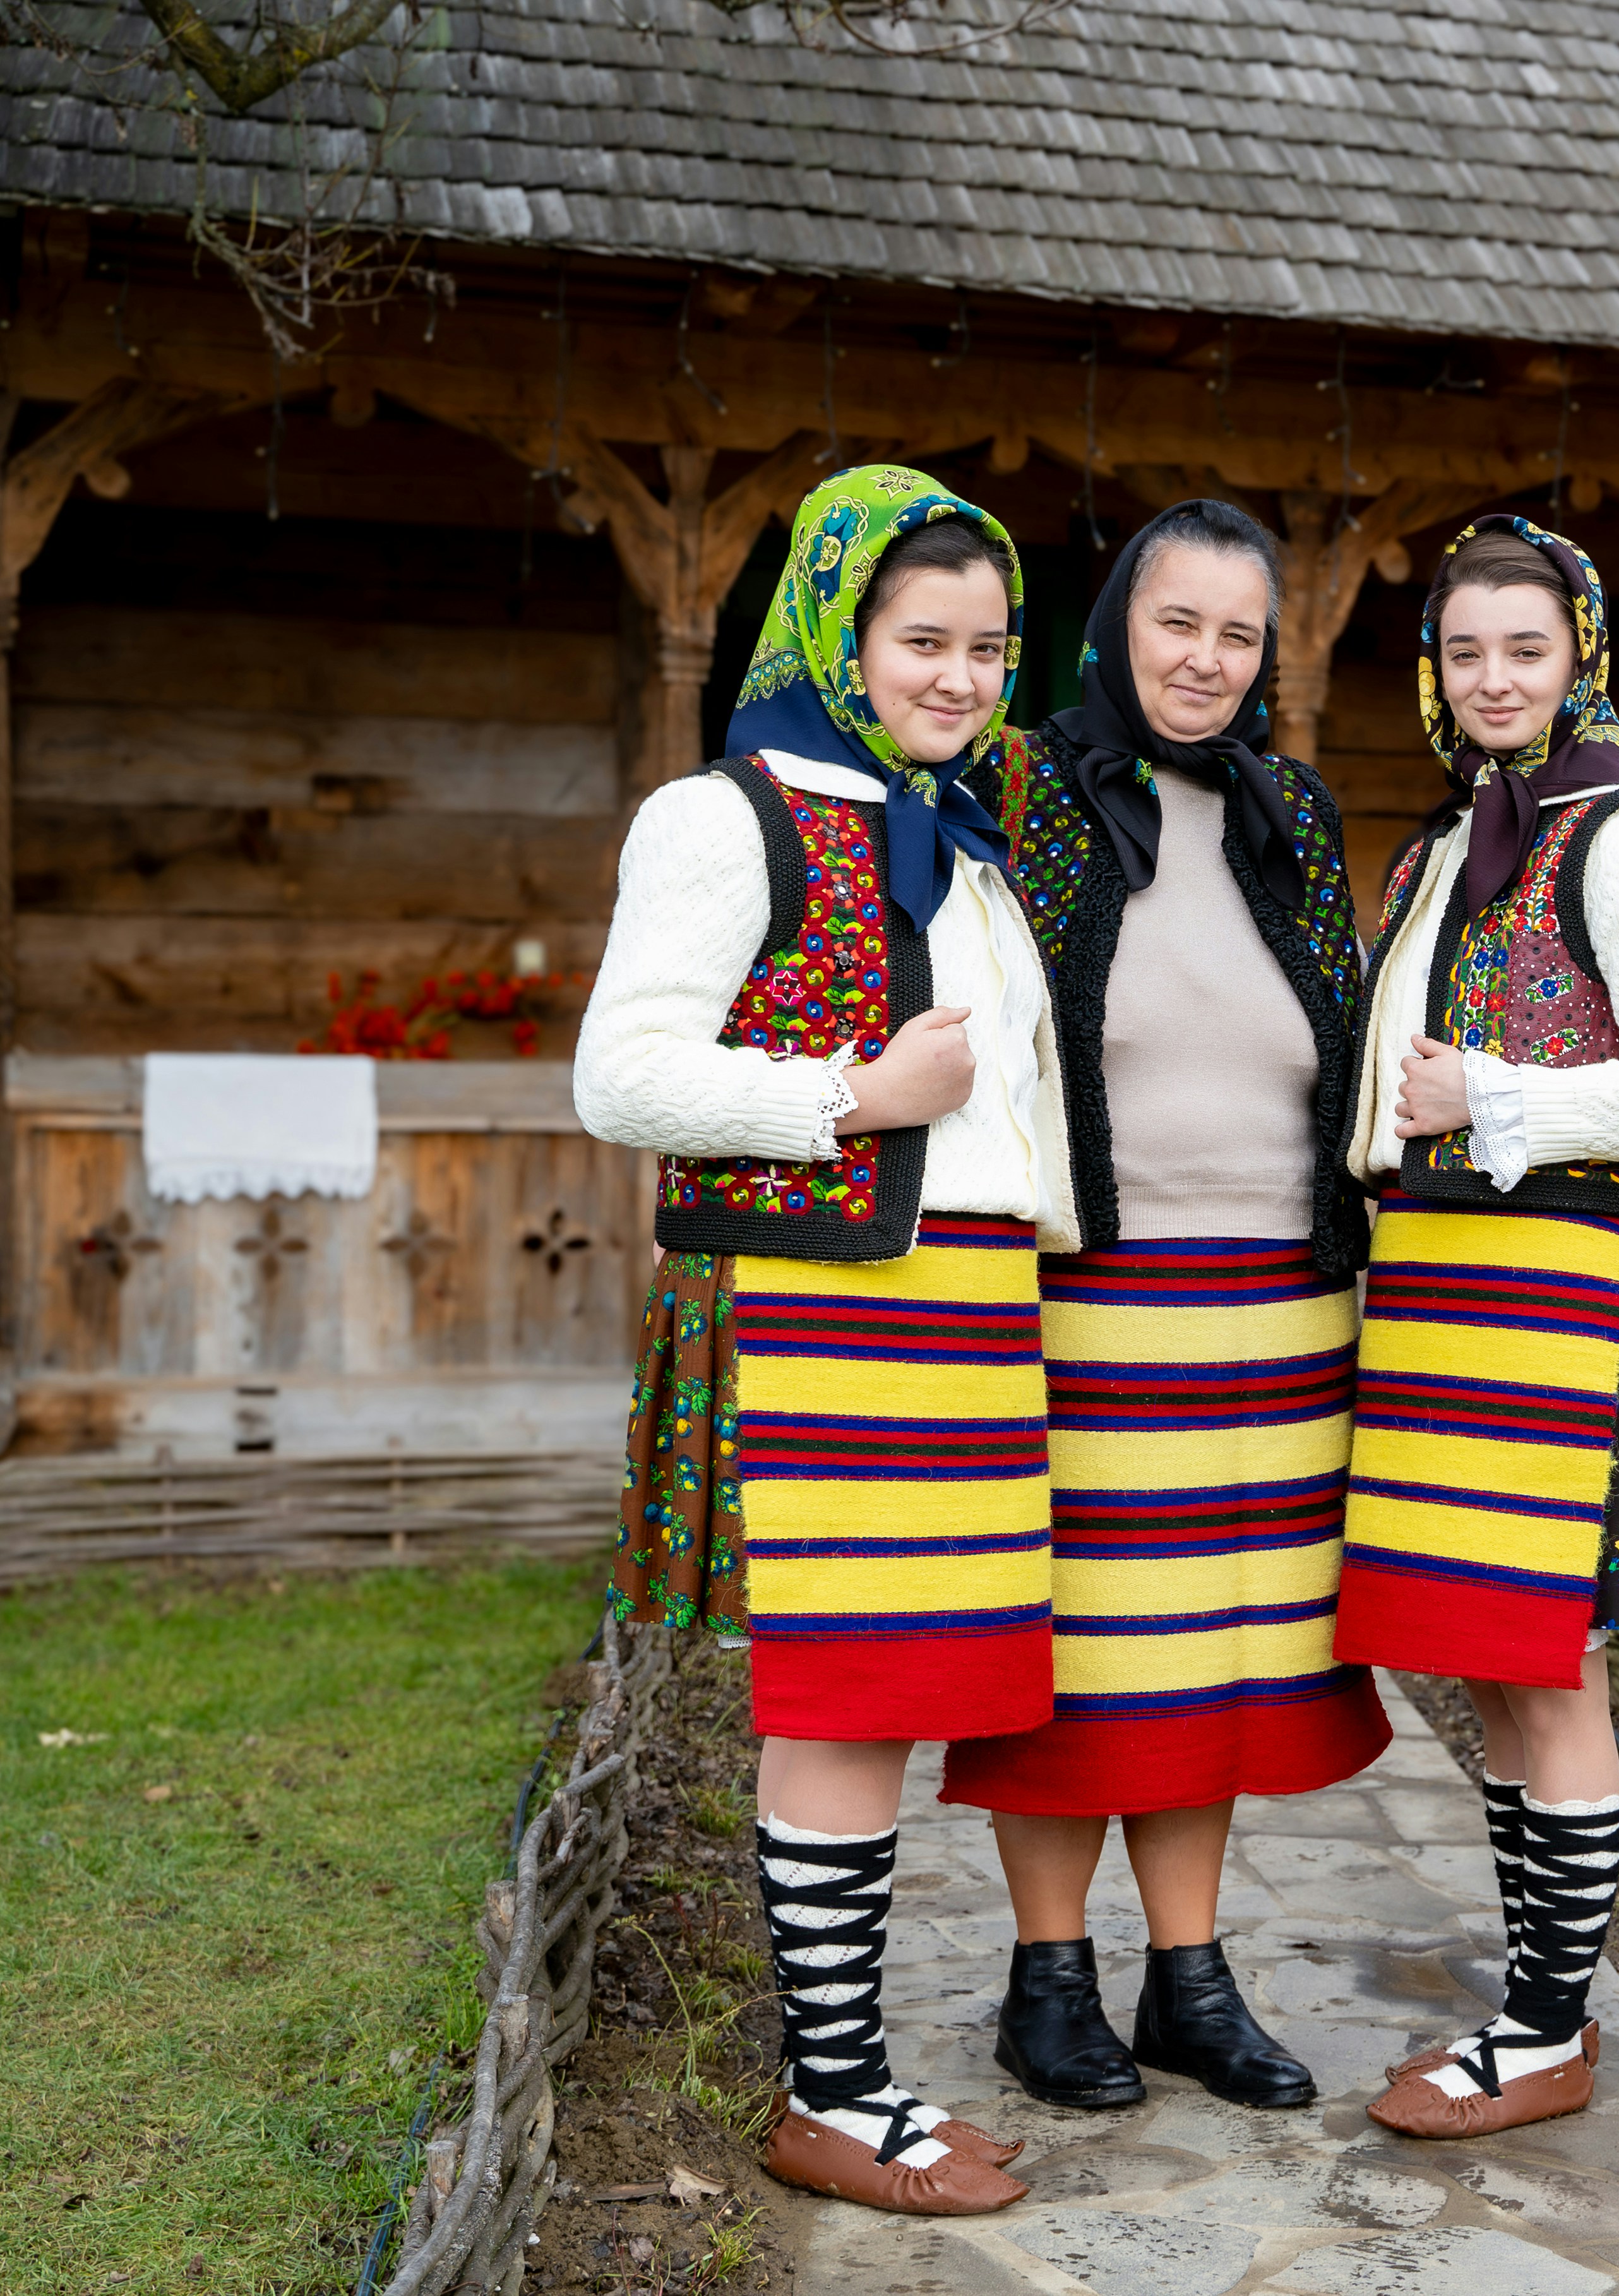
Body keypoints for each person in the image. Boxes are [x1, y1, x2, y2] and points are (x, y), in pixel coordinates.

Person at [580, 466, 1065, 2217]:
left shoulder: (958, 823)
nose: (957, 674)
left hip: (966, 1309)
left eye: (988, 645)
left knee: (908, 1695)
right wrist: (858, 1090)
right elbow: (622, 1070)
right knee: (844, 1702)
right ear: (838, 628)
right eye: (922, 638)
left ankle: (850, 2071)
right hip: (831, 1306)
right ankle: (833, 2091)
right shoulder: (728, 815)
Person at [947, 498, 1388, 2112]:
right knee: (1080, 1649)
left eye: (1238, 633)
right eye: (1176, 622)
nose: (1205, 659)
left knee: (1222, 1655)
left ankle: (1187, 1980)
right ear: (1118, 622)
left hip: (1278, 1297)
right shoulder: (1023, 789)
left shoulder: (1288, 806)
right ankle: (1045, 1980)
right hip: (1089, 1293)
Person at [1331, 516, 1619, 2138]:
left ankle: (1553, 2032)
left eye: (1526, 649)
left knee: (1550, 1663)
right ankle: (1528, 2012)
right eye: (1463, 651)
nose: (1494, 679)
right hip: (1439, 1287)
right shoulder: (1444, 847)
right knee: (1492, 1665)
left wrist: (1491, 1090)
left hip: (1557, 1288)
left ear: (1580, 657)